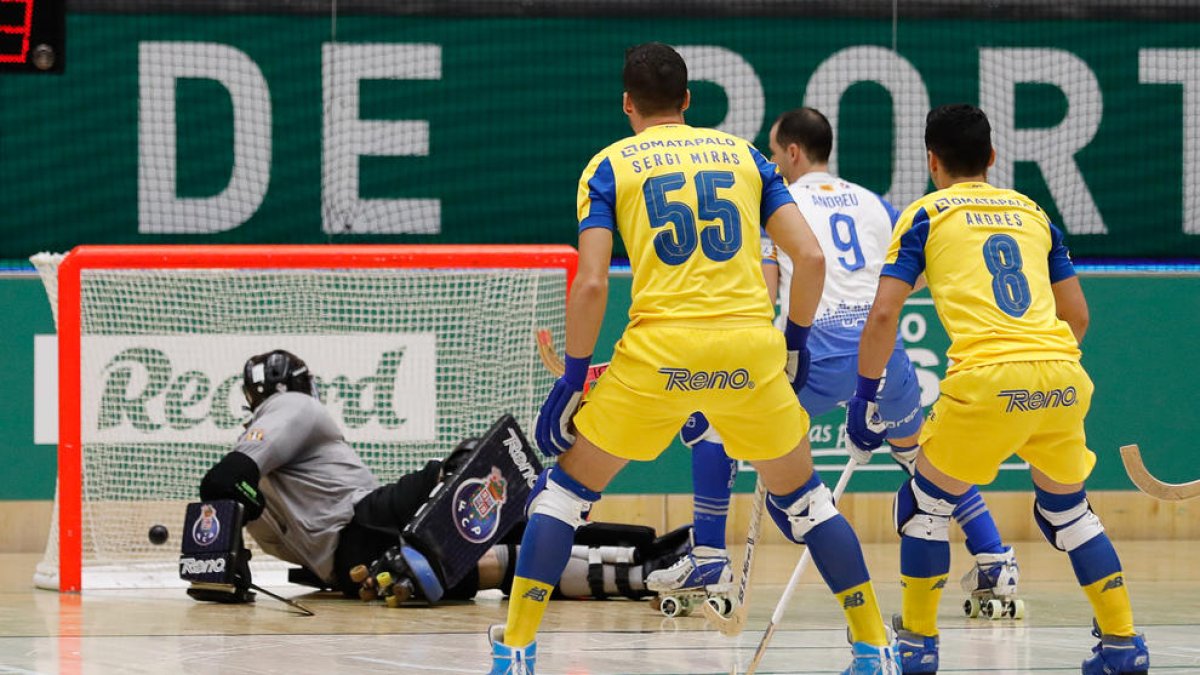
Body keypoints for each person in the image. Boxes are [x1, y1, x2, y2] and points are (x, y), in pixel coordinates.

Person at [488, 43, 898, 675]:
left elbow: (592, 283)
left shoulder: (606, 167)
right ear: (687, 102)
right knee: (809, 502)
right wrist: (790, 343)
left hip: (659, 354)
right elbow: (810, 260)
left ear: (627, 104)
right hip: (747, 350)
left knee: (563, 495)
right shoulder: (747, 157)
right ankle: (875, 649)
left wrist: (573, 378)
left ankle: (516, 651)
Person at [648, 107, 1023, 620]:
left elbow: (764, 292)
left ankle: (711, 559)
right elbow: (920, 270)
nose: (775, 163)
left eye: (777, 154)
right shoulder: (874, 203)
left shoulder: (774, 201)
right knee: (924, 459)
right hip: (881, 351)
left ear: (794, 153)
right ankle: (994, 559)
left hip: (814, 355)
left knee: (718, 428)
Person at [847, 104, 1149, 674]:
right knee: (1070, 513)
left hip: (988, 382)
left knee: (924, 505)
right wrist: (1041, 378)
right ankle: (1123, 645)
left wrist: (865, 396)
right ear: (991, 158)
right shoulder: (1035, 213)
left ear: (931, 161)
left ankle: (916, 647)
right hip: (1061, 375)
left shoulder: (925, 214)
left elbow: (884, 314)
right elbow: (1076, 316)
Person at [195, 349, 683, 605]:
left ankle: (644, 566)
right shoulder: (296, 403)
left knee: (505, 563)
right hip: (365, 523)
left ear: (249, 396)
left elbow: (226, 487)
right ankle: (657, 557)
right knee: (486, 487)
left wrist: (226, 565)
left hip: (350, 570)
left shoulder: (265, 450)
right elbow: (225, 479)